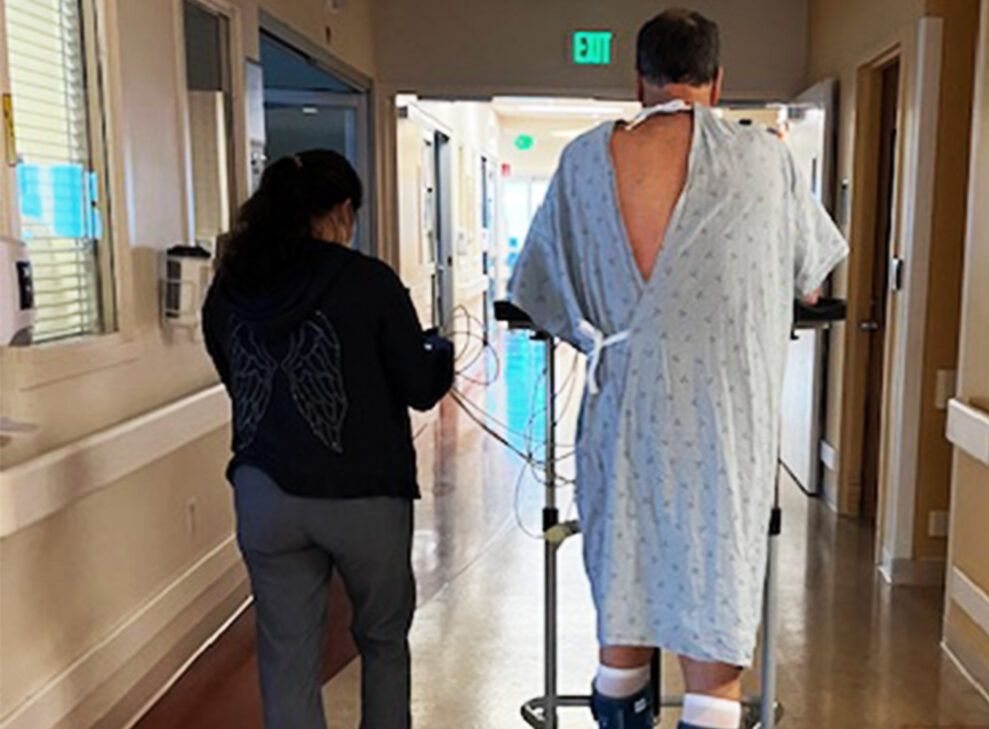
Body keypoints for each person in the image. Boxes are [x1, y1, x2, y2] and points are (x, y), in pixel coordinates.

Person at [507, 9, 848, 729]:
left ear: (639, 81)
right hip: (723, 429)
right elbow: (811, 281)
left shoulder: (580, 163)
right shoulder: (766, 160)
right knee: (713, 633)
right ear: (717, 82)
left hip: (623, 420)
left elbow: (535, 291)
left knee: (622, 607)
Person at [202, 149, 454, 729]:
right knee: (384, 641)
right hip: (365, 496)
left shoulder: (231, 289)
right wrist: (438, 353)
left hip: (265, 493)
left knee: (286, 652)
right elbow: (418, 388)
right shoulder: (368, 281)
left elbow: (235, 379)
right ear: (342, 210)